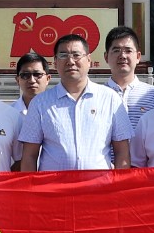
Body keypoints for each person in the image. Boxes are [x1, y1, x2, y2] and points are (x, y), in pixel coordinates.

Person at [18, 33, 131, 171]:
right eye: (63, 55)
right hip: (54, 184)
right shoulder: (40, 103)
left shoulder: (110, 99)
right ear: (55, 62)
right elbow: (29, 156)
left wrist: (120, 183)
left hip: (99, 183)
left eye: (76, 55)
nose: (70, 61)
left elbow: (122, 152)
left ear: (88, 60)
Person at [100, 25, 154, 131]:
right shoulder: (97, 95)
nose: (122, 56)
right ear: (106, 57)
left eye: (128, 51)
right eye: (116, 50)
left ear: (138, 56)